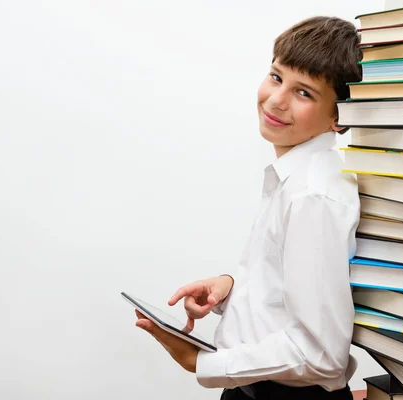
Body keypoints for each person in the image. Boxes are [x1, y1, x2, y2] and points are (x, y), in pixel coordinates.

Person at [134, 16, 362, 400]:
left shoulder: (313, 196)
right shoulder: (293, 177)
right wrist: (230, 289)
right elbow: (290, 291)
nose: (277, 99)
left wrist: (199, 363)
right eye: (276, 77)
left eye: (304, 93)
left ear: (339, 118)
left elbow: (322, 354)